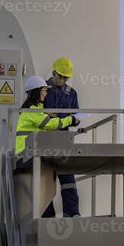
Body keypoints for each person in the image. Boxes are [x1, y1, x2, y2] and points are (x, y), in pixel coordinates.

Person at [42, 57, 81, 218]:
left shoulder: (72, 93)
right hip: (44, 141)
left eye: (66, 77)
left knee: (68, 180)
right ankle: (47, 217)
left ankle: (72, 215)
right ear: (53, 72)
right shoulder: (42, 89)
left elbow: (75, 116)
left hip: (63, 141)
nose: (63, 80)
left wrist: (75, 119)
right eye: (61, 76)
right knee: (44, 181)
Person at [15, 76, 79, 155]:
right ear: (37, 91)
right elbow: (50, 124)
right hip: (25, 152)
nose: (46, 94)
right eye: (44, 90)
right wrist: (70, 120)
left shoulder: (35, 109)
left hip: (29, 151)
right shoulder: (32, 109)